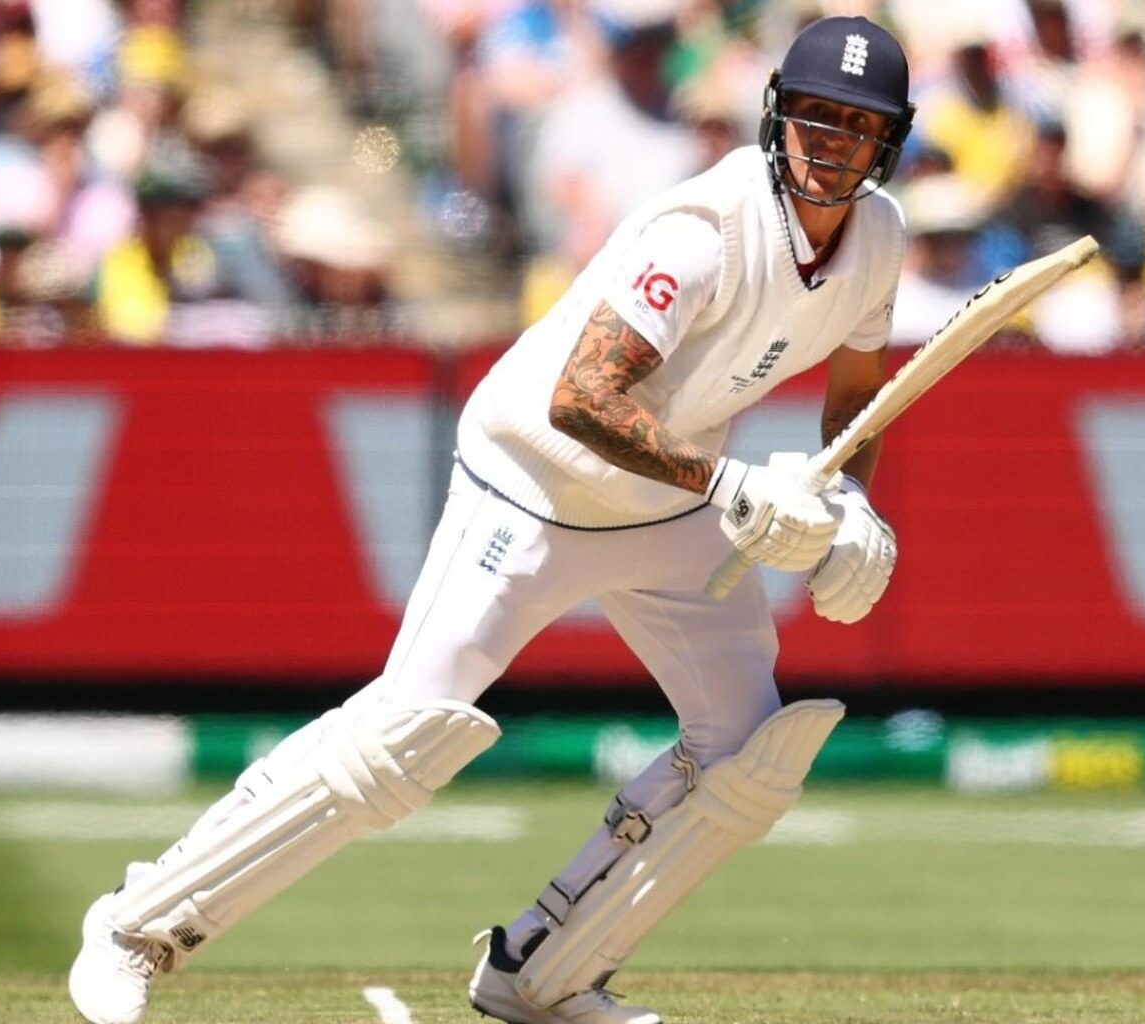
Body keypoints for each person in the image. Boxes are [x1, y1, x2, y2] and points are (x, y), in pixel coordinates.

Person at [69, 16, 912, 1024]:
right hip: (537, 476)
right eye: (814, 116)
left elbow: (858, 399)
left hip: (671, 504)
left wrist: (849, 496)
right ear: (777, 114)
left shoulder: (880, 240)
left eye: (854, 126)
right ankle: (137, 924)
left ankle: (543, 974)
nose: (828, 142)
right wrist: (734, 489)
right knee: (404, 738)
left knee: (749, 753)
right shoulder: (701, 231)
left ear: (885, 143)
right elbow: (583, 400)